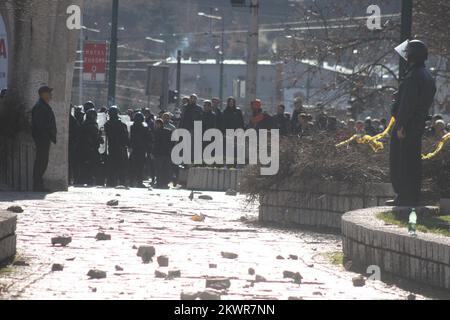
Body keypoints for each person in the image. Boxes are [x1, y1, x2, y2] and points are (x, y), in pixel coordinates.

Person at [388, 39, 437, 207]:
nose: (406, 56)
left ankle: (404, 196)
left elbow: (408, 105)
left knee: (401, 160)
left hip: (407, 125)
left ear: (412, 56)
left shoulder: (413, 76)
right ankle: (412, 196)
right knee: (413, 160)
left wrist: (401, 125)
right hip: (417, 124)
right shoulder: (427, 75)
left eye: (408, 53)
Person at [31, 86, 57, 192]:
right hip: (42, 138)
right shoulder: (40, 107)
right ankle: (37, 185)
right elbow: (40, 125)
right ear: (43, 94)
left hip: (44, 138)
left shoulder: (43, 106)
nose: (51, 95)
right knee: (41, 161)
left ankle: (39, 185)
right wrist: (46, 134)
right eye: (48, 93)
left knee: (43, 161)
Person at [105, 106, 129, 187]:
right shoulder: (122, 125)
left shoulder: (107, 125)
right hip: (120, 149)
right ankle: (122, 182)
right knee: (121, 167)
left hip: (111, 148)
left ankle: (111, 182)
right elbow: (126, 138)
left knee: (112, 167)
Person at [79, 109, 103, 185]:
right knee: (96, 166)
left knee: (86, 165)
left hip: (84, 149)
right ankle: (94, 180)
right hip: (92, 149)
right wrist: (100, 137)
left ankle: (85, 179)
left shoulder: (84, 124)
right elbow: (96, 137)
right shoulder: (93, 125)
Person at [129, 112, 151, 188]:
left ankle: (131, 181)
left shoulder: (132, 127)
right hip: (141, 149)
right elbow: (148, 139)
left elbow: (131, 138)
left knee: (132, 166)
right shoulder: (145, 128)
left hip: (134, 149)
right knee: (140, 167)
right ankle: (139, 182)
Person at [152, 119, 173, 189]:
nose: (156, 125)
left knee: (159, 170)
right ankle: (164, 184)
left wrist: (153, 152)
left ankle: (159, 184)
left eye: (157, 124)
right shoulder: (168, 131)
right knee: (165, 169)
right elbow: (171, 142)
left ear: (160, 124)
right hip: (166, 153)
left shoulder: (156, 132)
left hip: (159, 154)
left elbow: (155, 143)